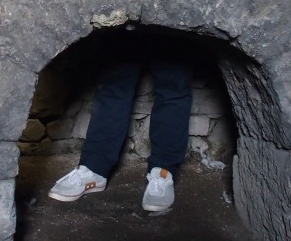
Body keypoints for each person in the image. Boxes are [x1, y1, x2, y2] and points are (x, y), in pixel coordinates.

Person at [48, 28, 193, 212]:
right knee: (114, 82)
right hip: (125, 21)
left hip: (175, 21)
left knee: (173, 85)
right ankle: (94, 168)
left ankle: (164, 171)